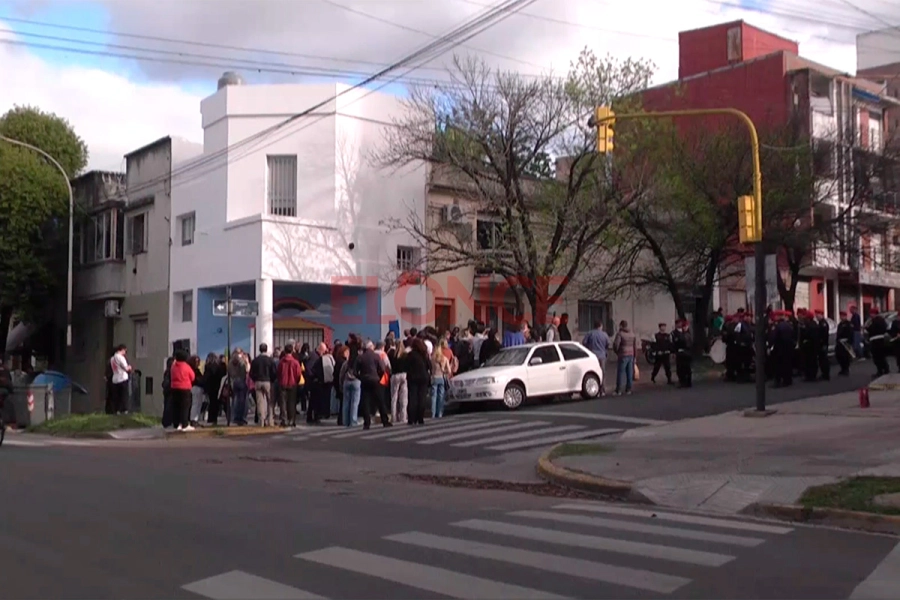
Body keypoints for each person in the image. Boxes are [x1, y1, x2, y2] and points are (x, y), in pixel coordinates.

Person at [357, 340, 389, 429]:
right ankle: (385, 421)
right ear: (371, 347)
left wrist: (361, 377)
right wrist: (378, 376)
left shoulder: (360, 357)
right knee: (380, 401)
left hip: (365, 381)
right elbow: (382, 369)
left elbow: (355, 371)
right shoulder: (376, 356)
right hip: (375, 380)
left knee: (366, 402)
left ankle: (367, 423)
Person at [405, 338, 432, 425]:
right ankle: (420, 417)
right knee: (422, 397)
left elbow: (406, 366)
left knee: (412, 398)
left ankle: (412, 418)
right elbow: (429, 365)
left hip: (413, 377)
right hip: (423, 377)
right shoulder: (424, 354)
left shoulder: (410, 355)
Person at [250, 343, 277, 426]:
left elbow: (251, 373)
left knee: (260, 402)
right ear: (266, 349)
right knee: (270, 401)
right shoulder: (270, 360)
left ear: (259, 350)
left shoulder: (255, 360)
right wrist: (272, 380)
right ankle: (270, 420)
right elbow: (274, 372)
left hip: (258, 381)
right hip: (268, 381)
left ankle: (261, 420)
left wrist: (255, 379)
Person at [169, 350, 195, 431]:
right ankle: (185, 424)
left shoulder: (173, 366)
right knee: (185, 407)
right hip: (185, 388)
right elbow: (192, 377)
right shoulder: (186, 366)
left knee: (176, 406)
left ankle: (177, 424)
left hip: (174, 388)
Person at [276, 344, 302, 427]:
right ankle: (291, 419)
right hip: (292, 383)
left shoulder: (281, 362)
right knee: (292, 402)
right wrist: (296, 381)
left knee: (283, 403)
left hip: (283, 383)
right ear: (292, 351)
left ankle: (284, 419)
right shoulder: (295, 362)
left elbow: (278, 373)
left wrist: (280, 380)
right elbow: (298, 374)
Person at [581, 321, 609, 395]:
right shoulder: (604, 334)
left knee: (592, 373)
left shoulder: (590, 333)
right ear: (600, 326)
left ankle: (595, 389)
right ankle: (602, 390)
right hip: (602, 356)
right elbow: (607, 344)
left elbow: (584, 343)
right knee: (602, 372)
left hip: (592, 356)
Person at [771, 311, 795, 387]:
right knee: (787, 364)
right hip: (788, 348)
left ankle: (778, 381)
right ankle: (788, 380)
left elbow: (774, 337)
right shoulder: (788, 325)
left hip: (779, 348)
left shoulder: (778, 326)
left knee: (778, 365)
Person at [612, 320, 636, 396]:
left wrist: (617, 352)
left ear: (621, 326)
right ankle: (628, 389)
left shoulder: (620, 334)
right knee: (629, 372)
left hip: (623, 354)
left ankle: (618, 390)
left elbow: (616, 345)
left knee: (621, 372)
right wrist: (635, 355)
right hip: (631, 354)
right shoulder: (632, 334)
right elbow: (635, 346)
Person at [109, 344, 133, 415]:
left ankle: (117, 410)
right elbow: (126, 368)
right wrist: (129, 367)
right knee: (124, 395)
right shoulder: (121, 358)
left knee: (117, 396)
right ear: (122, 350)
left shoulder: (112, 359)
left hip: (115, 378)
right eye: (125, 351)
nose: (125, 353)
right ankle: (124, 409)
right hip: (122, 377)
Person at [431, 341, 452, 419]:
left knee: (433, 396)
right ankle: (439, 413)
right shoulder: (444, 358)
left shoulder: (432, 359)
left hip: (434, 377)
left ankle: (433, 413)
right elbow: (449, 371)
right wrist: (444, 370)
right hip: (441, 378)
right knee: (441, 396)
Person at [389, 342, 409, 424]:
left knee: (394, 397)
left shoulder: (393, 355)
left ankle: (394, 417)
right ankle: (403, 417)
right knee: (403, 397)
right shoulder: (405, 355)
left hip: (395, 375)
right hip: (404, 375)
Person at [867, 307, 890, 377]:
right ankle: (884, 369)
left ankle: (881, 370)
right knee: (880, 356)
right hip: (877, 339)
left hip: (877, 340)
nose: (870, 315)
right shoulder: (879, 320)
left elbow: (873, 329)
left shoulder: (877, 321)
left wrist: (868, 328)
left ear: (874, 314)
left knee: (878, 356)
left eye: (871, 313)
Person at [672, 319, 693, 388]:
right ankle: (685, 382)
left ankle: (685, 382)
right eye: (683, 327)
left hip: (684, 353)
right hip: (684, 353)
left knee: (684, 368)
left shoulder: (686, 335)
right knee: (683, 368)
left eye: (685, 326)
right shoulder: (683, 334)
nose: (684, 328)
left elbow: (687, 344)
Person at [814, 310, 831, 381]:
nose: (816, 316)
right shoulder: (820, 323)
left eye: (818, 315)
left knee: (824, 360)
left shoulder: (823, 324)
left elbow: (824, 336)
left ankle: (826, 374)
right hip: (820, 344)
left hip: (823, 344)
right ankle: (824, 373)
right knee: (821, 360)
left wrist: (824, 344)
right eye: (816, 315)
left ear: (821, 315)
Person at [835, 311, 853, 376]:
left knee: (845, 356)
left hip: (846, 342)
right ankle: (842, 368)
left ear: (845, 316)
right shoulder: (840, 324)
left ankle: (846, 369)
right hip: (840, 342)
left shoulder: (848, 324)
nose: (841, 317)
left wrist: (850, 342)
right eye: (841, 316)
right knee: (839, 356)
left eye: (843, 316)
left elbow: (850, 333)